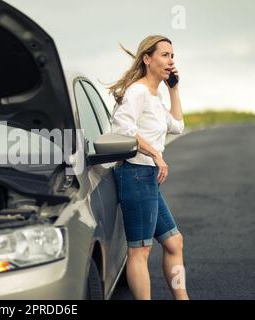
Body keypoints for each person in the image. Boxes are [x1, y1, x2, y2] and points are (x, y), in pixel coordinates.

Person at [109, 35, 189, 300]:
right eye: (165, 55)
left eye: (172, 55)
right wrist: (155, 153)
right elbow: (122, 128)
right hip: (135, 174)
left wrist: (173, 89)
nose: (171, 60)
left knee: (174, 242)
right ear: (147, 59)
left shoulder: (154, 96)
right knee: (139, 251)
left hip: (148, 177)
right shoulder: (137, 91)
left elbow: (177, 126)